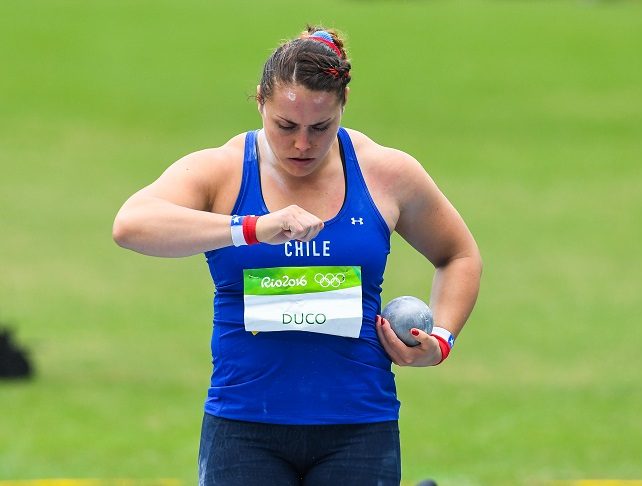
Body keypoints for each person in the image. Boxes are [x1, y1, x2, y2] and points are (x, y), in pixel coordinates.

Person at [113, 26, 481, 486]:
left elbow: (459, 254)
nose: (302, 145)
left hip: (359, 428)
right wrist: (250, 228)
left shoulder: (387, 173)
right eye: (285, 126)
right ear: (261, 101)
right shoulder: (223, 170)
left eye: (321, 127)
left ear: (343, 102)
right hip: (245, 429)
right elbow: (131, 224)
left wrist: (441, 340)